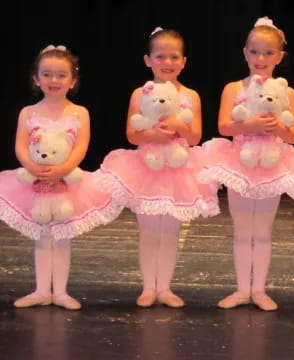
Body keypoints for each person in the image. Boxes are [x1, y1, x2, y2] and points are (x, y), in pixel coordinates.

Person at [97, 27, 219, 308]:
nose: (167, 62)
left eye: (174, 56)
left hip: (180, 169)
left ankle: (164, 287)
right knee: (149, 231)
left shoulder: (191, 96)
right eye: (160, 56)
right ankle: (148, 286)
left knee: (170, 231)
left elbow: (195, 137)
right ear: (147, 60)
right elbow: (132, 134)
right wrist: (153, 135)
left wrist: (178, 127)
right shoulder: (141, 93)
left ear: (184, 62)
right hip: (147, 168)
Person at [0, 45, 122, 310]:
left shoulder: (79, 113)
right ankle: (42, 290)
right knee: (42, 235)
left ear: (72, 80)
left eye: (61, 75)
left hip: (67, 181)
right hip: (36, 180)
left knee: (62, 234)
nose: (53, 80)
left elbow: (81, 147)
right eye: (47, 74)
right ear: (36, 78)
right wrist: (33, 168)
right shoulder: (28, 112)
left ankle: (62, 292)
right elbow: (20, 145)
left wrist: (61, 170)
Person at [199, 17, 294, 311]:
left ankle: (259, 289)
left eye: (269, 53)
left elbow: (293, 134)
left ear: (280, 57)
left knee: (263, 230)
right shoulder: (234, 88)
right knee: (243, 229)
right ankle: (242, 288)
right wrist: (250, 124)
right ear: (245, 53)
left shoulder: (287, 92)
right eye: (255, 52)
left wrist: (276, 129)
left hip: (272, 162)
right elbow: (223, 126)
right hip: (240, 162)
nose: (261, 59)